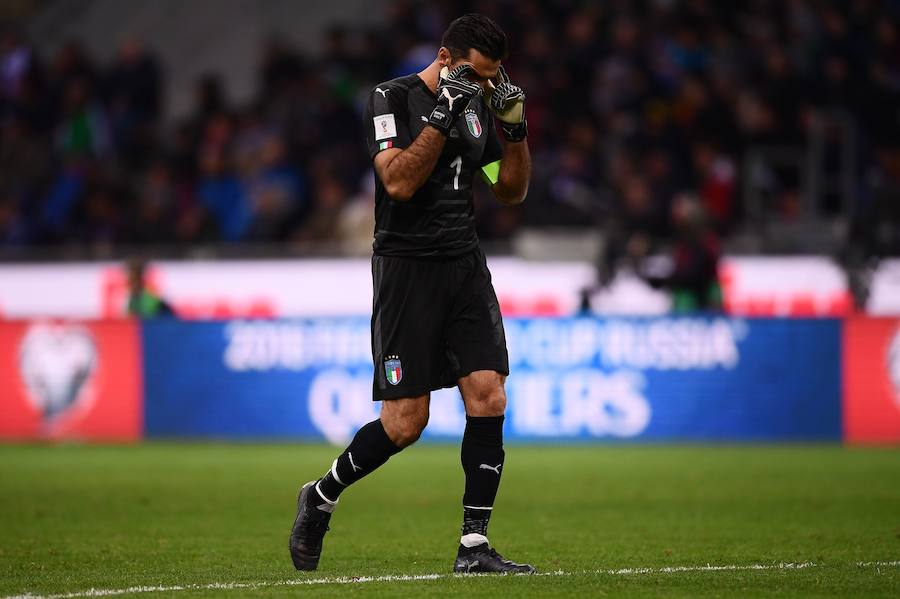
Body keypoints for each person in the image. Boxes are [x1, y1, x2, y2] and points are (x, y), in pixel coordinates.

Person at [289, 14, 534, 574]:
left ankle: (473, 547)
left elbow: (509, 189)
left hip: (464, 264)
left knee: (488, 393)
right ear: (447, 60)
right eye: (479, 74)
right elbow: (397, 181)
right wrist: (444, 117)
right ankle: (320, 496)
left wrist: (515, 131)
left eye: (495, 79)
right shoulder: (390, 98)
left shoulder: (477, 107)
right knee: (405, 423)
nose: (487, 87)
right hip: (407, 269)